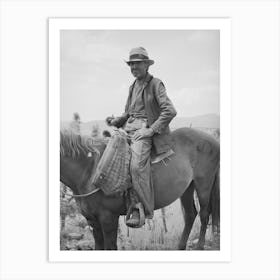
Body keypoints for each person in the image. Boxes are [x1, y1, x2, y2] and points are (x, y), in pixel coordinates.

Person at [106, 47, 177, 227]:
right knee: (108, 156)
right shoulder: (133, 86)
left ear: (146, 64)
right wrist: (117, 120)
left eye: (137, 64)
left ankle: (141, 209)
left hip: (144, 131)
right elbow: (128, 112)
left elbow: (170, 111)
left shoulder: (156, 84)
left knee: (137, 167)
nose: (134, 67)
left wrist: (150, 130)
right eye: (131, 64)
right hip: (128, 128)